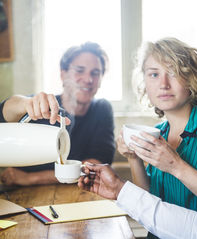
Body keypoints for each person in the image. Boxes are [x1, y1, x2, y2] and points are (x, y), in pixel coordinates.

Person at [79, 38, 197, 239]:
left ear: (192, 79)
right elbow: (150, 202)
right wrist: (133, 158)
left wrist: (176, 166)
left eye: (175, 72)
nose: (163, 84)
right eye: (154, 74)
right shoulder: (160, 133)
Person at [0, 42, 115, 186]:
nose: (88, 79)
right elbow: (5, 113)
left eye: (95, 73)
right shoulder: (44, 106)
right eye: (79, 70)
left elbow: (97, 164)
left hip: (76, 194)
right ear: (63, 73)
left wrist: (31, 178)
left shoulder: (101, 109)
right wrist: (24, 103)